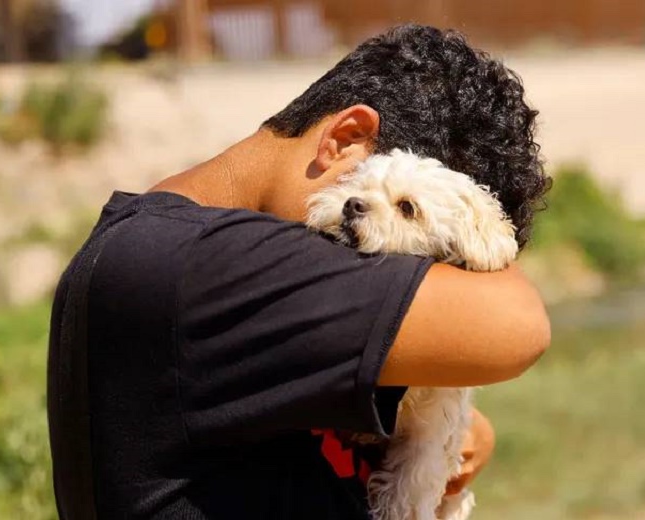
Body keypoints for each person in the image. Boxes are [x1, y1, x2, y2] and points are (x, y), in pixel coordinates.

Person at [47, 24, 550, 520]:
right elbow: (518, 326)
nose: (395, 272)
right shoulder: (209, 265)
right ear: (346, 138)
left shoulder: (160, 247)